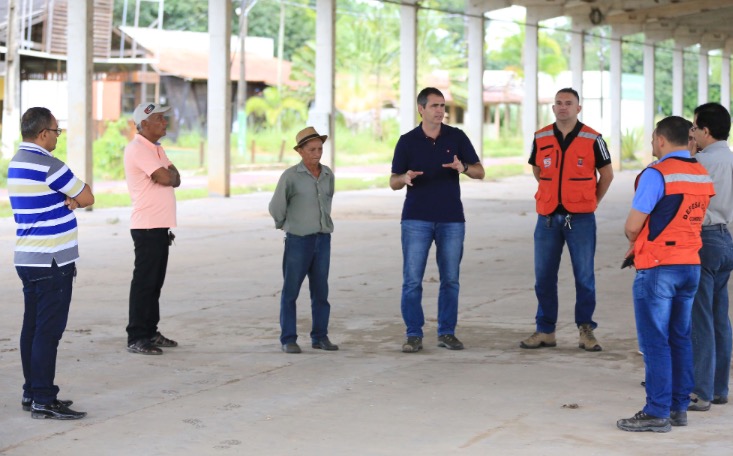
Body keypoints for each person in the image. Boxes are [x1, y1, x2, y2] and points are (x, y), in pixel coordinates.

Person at [617, 116, 715, 433]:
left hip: (659, 266)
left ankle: (656, 411)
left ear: (660, 140)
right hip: (690, 265)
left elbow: (633, 225)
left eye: (652, 140)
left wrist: (636, 241)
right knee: (680, 338)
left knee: (656, 341)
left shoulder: (657, 173)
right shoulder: (700, 173)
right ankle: (677, 408)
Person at [7, 107, 94, 419]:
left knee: (32, 328)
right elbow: (88, 196)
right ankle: (44, 398)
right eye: (57, 131)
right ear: (43, 133)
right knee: (48, 332)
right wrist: (73, 201)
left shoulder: (16, 162)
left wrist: (68, 200)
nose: (58, 136)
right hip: (52, 260)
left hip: (29, 258)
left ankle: (32, 392)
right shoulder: (49, 165)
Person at [390, 87, 485, 353]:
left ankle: (447, 333)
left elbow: (480, 172)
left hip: (451, 219)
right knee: (412, 280)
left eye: (442, 106)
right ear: (421, 109)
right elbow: (393, 181)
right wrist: (404, 178)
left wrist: (463, 167)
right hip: (416, 220)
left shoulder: (457, 137)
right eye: (434, 106)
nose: (440, 111)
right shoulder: (407, 141)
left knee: (450, 280)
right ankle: (413, 334)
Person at [521, 88, 614, 351]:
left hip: (580, 219)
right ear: (553, 108)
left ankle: (586, 330)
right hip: (548, 218)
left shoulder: (593, 138)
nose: (563, 107)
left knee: (584, 277)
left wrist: (591, 201)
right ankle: (545, 331)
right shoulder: (541, 137)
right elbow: (538, 170)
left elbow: (607, 175)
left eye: (568, 103)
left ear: (578, 108)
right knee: (543, 277)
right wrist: (552, 194)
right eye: (559, 103)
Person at [269, 127, 338, 354]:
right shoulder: (290, 176)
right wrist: (285, 224)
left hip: (322, 240)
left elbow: (327, 201)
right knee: (291, 292)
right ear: (300, 151)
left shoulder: (327, 175)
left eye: (320, 149)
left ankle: (320, 337)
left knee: (321, 293)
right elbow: (276, 206)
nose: (317, 154)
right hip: (298, 241)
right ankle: (288, 339)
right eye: (311, 150)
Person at [124, 103, 181, 355]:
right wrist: (169, 175)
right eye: (159, 119)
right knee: (144, 283)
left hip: (159, 226)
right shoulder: (137, 148)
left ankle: (150, 331)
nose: (164, 122)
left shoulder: (156, 148)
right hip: (146, 226)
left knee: (155, 283)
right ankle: (137, 336)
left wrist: (170, 175)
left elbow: (176, 177)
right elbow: (166, 177)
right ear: (144, 124)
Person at [687, 102, 733, 412]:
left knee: (700, 319)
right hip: (725, 238)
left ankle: (700, 392)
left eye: (694, 127)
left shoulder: (700, 161)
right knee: (719, 318)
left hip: (703, 240)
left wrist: (688, 155)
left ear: (705, 130)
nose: (691, 133)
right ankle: (719, 388)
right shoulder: (730, 158)